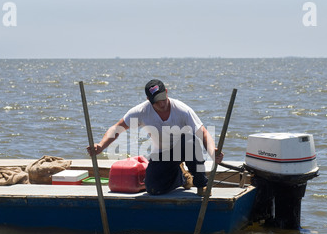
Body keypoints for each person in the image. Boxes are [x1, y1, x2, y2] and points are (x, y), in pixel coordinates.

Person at [87, 79, 224, 196]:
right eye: (157, 101)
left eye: (163, 98)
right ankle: (182, 177)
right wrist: (100, 146)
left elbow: (203, 132)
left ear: (167, 92)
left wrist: (213, 153)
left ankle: (201, 184)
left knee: (190, 140)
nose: (162, 104)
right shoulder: (141, 111)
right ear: (149, 100)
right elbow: (117, 128)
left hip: (184, 147)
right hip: (161, 154)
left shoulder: (182, 110)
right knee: (153, 189)